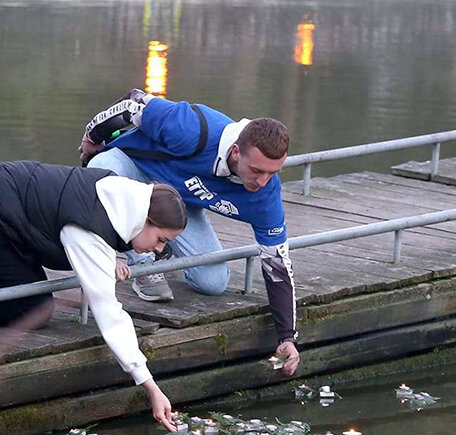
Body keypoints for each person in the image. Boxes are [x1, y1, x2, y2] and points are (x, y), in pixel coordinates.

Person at [0, 160, 186, 430]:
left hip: (1, 213)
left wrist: (108, 256)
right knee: (31, 307)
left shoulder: (122, 195)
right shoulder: (87, 230)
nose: (159, 250)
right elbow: (109, 314)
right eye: (161, 240)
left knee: (28, 292)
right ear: (145, 221)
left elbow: (96, 227)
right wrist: (150, 386)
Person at [78, 89, 299, 376]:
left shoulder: (266, 193)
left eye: (273, 172)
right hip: (132, 171)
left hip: (177, 205)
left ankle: (160, 248)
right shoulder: (192, 128)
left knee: (213, 282)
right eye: (257, 170)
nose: (263, 180)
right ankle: (143, 265)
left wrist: (288, 338)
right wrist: (92, 138)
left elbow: (278, 266)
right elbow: (133, 103)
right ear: (235, 152)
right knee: (100, 170)